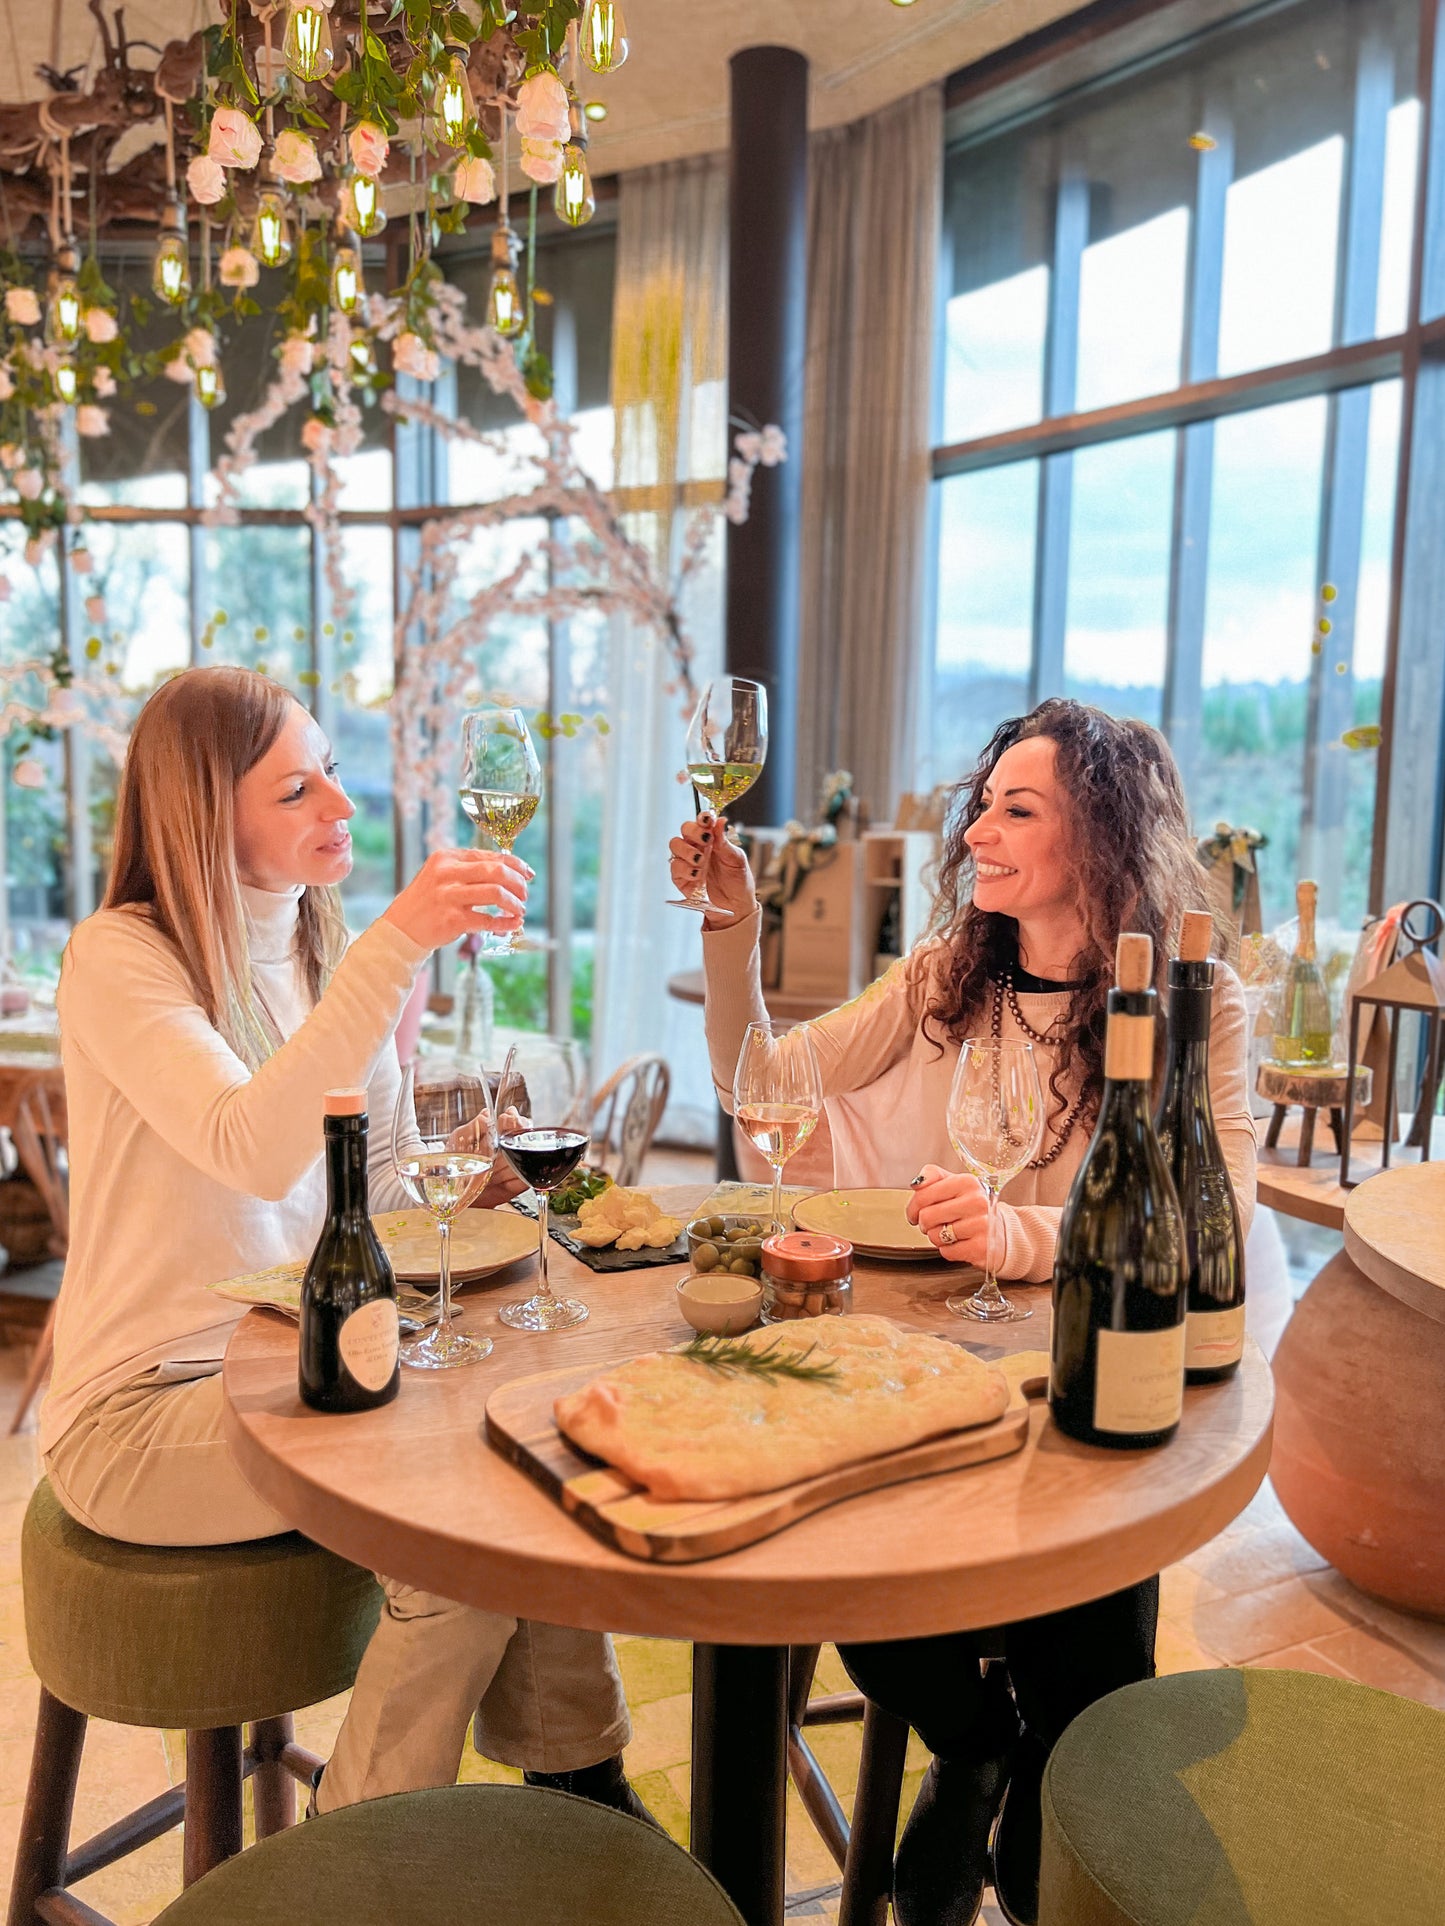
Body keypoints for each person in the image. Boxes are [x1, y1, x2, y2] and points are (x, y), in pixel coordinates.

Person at [670, 698, 1256, 1926]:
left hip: (1089, 1382)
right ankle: (973, 1741)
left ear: (1101, 840)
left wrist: (1018, 1237)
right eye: (982, 805)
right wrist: (732, 926)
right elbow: (762, 1085)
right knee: (857, 1560)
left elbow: (1221, 1227)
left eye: (1015, 810)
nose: (977, 830)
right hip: (936, 1373)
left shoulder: (1195, 1004)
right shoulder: (952, 969)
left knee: (1086, 1621)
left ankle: (1049, 1801)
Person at [43, 667, 642, 1820]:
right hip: (146, 1404)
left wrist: (481, 1171)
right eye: (296, 790)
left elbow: (380, 1191)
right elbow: (252, 1150)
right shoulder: (121, 957)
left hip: (305, 1359)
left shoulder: (322, 951)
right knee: (461, 1533)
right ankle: (356, 1852)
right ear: (201, 813)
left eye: (330, 772)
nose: (342, 806)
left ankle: (579, 1786)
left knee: (527, 1436)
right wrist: (394, 948)